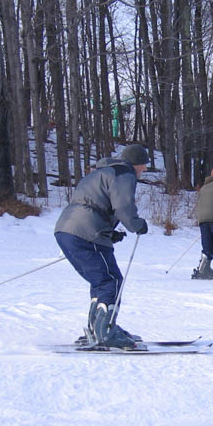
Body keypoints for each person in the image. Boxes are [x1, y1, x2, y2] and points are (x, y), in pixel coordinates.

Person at [54, 144, 149, 348]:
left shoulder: (100, 173)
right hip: (86, 232)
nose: (145, 169)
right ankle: (104, 332)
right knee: (111, 280)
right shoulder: (124, 172)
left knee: (101, 281)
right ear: (136, 163)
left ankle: (98, 326)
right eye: (143, 164)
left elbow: (93, 203)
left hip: (67, 229)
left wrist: (110, 232)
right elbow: (123, 207)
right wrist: (137, 225)